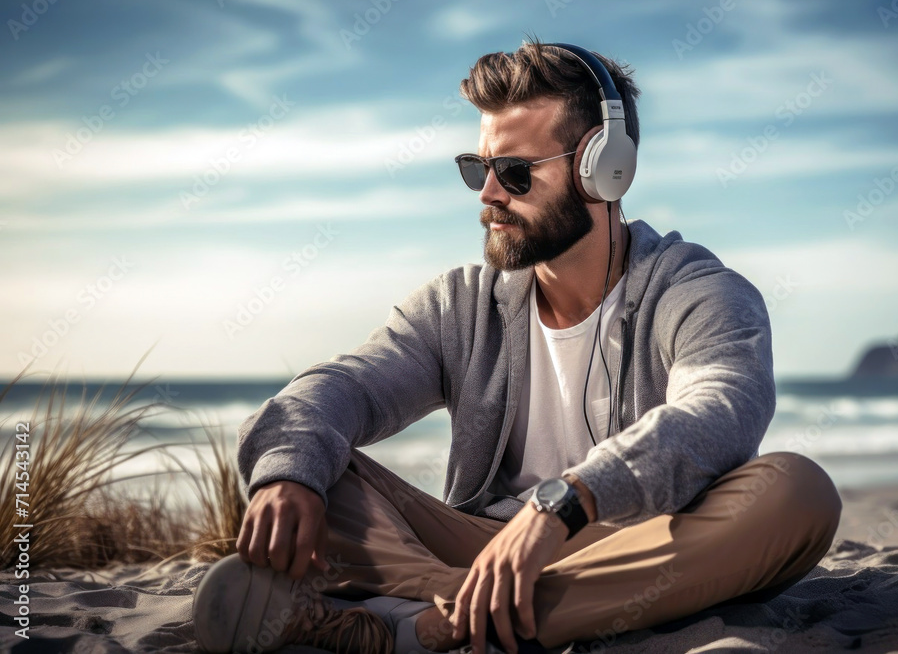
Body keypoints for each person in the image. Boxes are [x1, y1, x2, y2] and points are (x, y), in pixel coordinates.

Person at [193, 38, 842, 654]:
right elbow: (346, 387)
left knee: (797, 490)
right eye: (478, 167)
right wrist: (288, 473)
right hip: (481, 549)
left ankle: (415, 624)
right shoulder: (461, 305)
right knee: (303, 457)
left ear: (603, 169)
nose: (488, 193)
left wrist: (564, 502)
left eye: (514, 172)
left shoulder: (695, 290)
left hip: (649, 545)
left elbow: (721, 408)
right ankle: (454, 615)